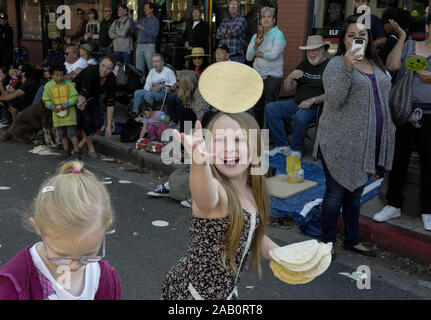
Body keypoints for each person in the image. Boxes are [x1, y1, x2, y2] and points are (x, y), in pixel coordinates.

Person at [161, 112, 279, 300]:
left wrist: (286, 257)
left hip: (225, 294)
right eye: (220, 140)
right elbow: (204, 196)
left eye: (239, 140)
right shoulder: (218, 192)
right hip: (191, 295)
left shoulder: (253, 192)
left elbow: (253, 234)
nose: (229, 148)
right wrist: (199, 162)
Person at [313, 16, 395, 257]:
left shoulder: (375, 63)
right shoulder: (336, 64)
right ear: (344, 39)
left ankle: (352, 239)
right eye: (351, 35)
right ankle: (325, 243)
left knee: (355, 193)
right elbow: (335, 99)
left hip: (366, 144)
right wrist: (348, 66)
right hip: (338, 141)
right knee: (335, 194)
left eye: (362, 34)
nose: (357, 38)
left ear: (369, 38)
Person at [0, 160, 122, 300]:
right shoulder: (14, 284)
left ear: (106, 227)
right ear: (38, 228)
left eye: (88, 255)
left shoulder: (104, 277)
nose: (74, 266)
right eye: (62, 256)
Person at [374, 15, 431, 231]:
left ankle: (428, 210)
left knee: (429, 163)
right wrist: (401, 37)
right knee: (399, 159)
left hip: (429, 113)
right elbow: (392, 65)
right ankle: (393, 204)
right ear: (427, 26)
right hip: (405, 111)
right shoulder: (409, 45)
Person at [265, 35, 329, 160]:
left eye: (314, 50)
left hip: (316, 107)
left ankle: (296, 149)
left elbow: (333, 94)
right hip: (296, 103)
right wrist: (290, 77)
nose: (311, 53)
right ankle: (282, 146)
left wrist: (313, 100)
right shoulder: (304, 64)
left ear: (323, 49)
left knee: (300, 116)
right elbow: (288, 88)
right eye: (309, 50)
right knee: (271, 108)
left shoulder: (329, 66)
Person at [246, 6, 286, 129]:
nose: (266, 19)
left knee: (271, 108)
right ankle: (259, 135)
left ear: (274, 20)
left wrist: (258, 54)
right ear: (261, 20)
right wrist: (256, 45)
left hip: (272, 76)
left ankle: (271, 137)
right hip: (258, 75)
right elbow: (248, 57)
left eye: (269, 17)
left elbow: (273, 55)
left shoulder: (278, 34)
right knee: (257, 107)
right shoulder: (256, 36)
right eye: (264, 17)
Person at [74, 56, 116, 158]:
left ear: (112, 69)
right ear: (99, 63)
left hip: (92, 98)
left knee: (98, 122)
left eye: (109, 68)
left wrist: (109, 125)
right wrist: (81, 103)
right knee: (87, 120)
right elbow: (83, 93)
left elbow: (110, 103)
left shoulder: (111, 79)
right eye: (103, 66)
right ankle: (89, 147)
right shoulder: (91, 71)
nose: (105, 70)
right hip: (76, 94)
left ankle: (80, 145)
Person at [43, 61, 80, 159]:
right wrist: (51, 107)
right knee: (62, 135)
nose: (59, 77)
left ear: (64, 74)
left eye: (61, 75)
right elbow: (46, 100)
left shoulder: (69, 84)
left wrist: (66, 104)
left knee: (72, 134)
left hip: (70, 115)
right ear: (51, 75)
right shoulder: (48, 86)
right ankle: (66, 151)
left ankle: (76, 152)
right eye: (56, 75)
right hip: (57, 115)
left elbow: (75, 97)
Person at [134, 2, 160, 81]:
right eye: (144, 8)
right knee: (139, 67)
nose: (144, 10)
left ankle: (154, 83)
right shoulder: (142, 19)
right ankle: (140, 84)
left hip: (149, 45)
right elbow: (133, 27)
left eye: (146, 8)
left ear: (151, 10)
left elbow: (155, 34)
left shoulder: (155, 20)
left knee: (151, 66)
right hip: (139, 45)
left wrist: (143, 28)